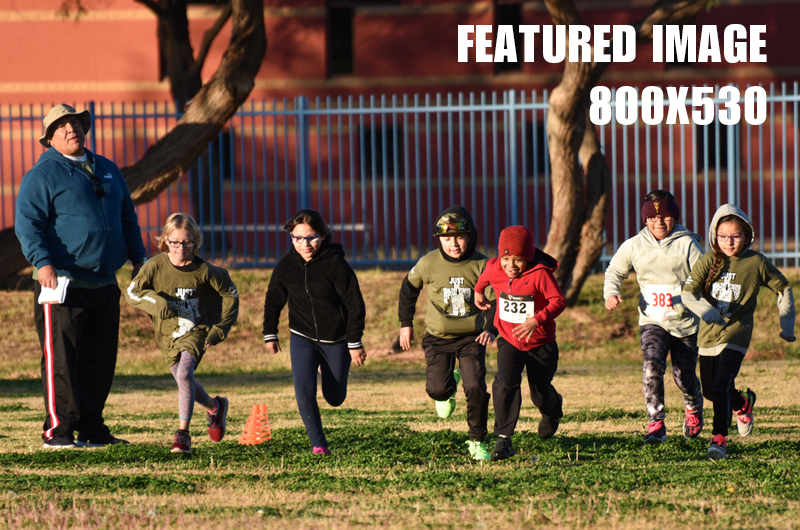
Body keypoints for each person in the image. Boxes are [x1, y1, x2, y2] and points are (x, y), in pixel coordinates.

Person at [15, 104, 147, 449]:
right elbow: (28, 224)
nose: (71, 129)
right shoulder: (42, 175)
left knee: (100, 360)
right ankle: (59, 430)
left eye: (75, 123)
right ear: (50, 139)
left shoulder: (107, 169)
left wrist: (139, 259)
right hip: (61, 282)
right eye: (62, 127)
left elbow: (128, 219)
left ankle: (92, 428)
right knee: (62, 360)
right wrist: (42, 263)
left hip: (105, 281)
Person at [682, 204, 796, 460]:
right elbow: (687, 293)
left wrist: (786, 325)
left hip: (737, 334)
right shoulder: (708, 260)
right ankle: (743, 403)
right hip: (708, 336)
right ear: (715, 236)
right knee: (711, 392)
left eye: (735, 236)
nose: (729, 242)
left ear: (746, 236)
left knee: (722, 384)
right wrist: (705, 311)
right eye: (723, 236)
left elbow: (783, 288)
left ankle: (719, 439)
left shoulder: (756, 262)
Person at [124, 213, 238, 454]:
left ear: (195, 242)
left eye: (187, 242)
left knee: (185, 373)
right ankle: (215, 408)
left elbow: (230, 294)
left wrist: (219, 329)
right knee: (183, 380)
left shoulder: (206, 271)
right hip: (167, 334)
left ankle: (182, 434)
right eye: (175, 242)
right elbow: (132, 293)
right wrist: (155, 303)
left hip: (196, 330)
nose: (180, 247)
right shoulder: (154, 265)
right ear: (165, 240)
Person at [262, 209, 367, 455]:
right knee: (304, 390)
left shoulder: (336, 264)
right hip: (302, 337)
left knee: (335, 398)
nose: (304, 244)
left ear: (323, 235)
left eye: (310, 237)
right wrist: (270, 333)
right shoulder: (287, 265)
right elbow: (274, 299)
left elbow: (355, 305)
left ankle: (326, 367)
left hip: (336, 340)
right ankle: (318, 443)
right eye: (297, 238)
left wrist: (354, 342)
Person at [603, 190, 705, 444]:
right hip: (652, 320)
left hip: (684, 322)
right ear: (645, 220)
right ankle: (656, 422)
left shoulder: (688, 244)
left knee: (684, 375)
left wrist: (696, 302)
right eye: (652, 218)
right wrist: (611, 293)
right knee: (651, 367)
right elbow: (614, 271)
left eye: (666, 217)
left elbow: (705, 276)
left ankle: (693, 406)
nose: (659, 223)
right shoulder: (634, 245)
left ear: (675, 217)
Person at [397, 206, 497, 461]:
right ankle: (448, 386)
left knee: (475, 387)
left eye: (460, 237)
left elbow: (496, 299)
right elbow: (409, 289)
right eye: (446, 238)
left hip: (472, 338)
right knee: (437, 391)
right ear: (439, 239)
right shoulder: (428, 262)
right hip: (437, 338)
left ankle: (477, 440)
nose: (453, 244)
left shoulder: (483, 264)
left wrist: (490, 328)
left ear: (470, 236)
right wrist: (405, 323)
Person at [474, 225, 566, 461]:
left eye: (518, 260)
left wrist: (537, 320)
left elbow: (558, 301)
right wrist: (478, 292)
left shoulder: (540, 274)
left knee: (540, 393)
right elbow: (483, 279)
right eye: (506, 259)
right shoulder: (494, 267)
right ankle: (504, 439)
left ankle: (552, 411)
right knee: (504, 384)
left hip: (540, 343)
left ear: (529, 257)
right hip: (509, 340)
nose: (511, 266)